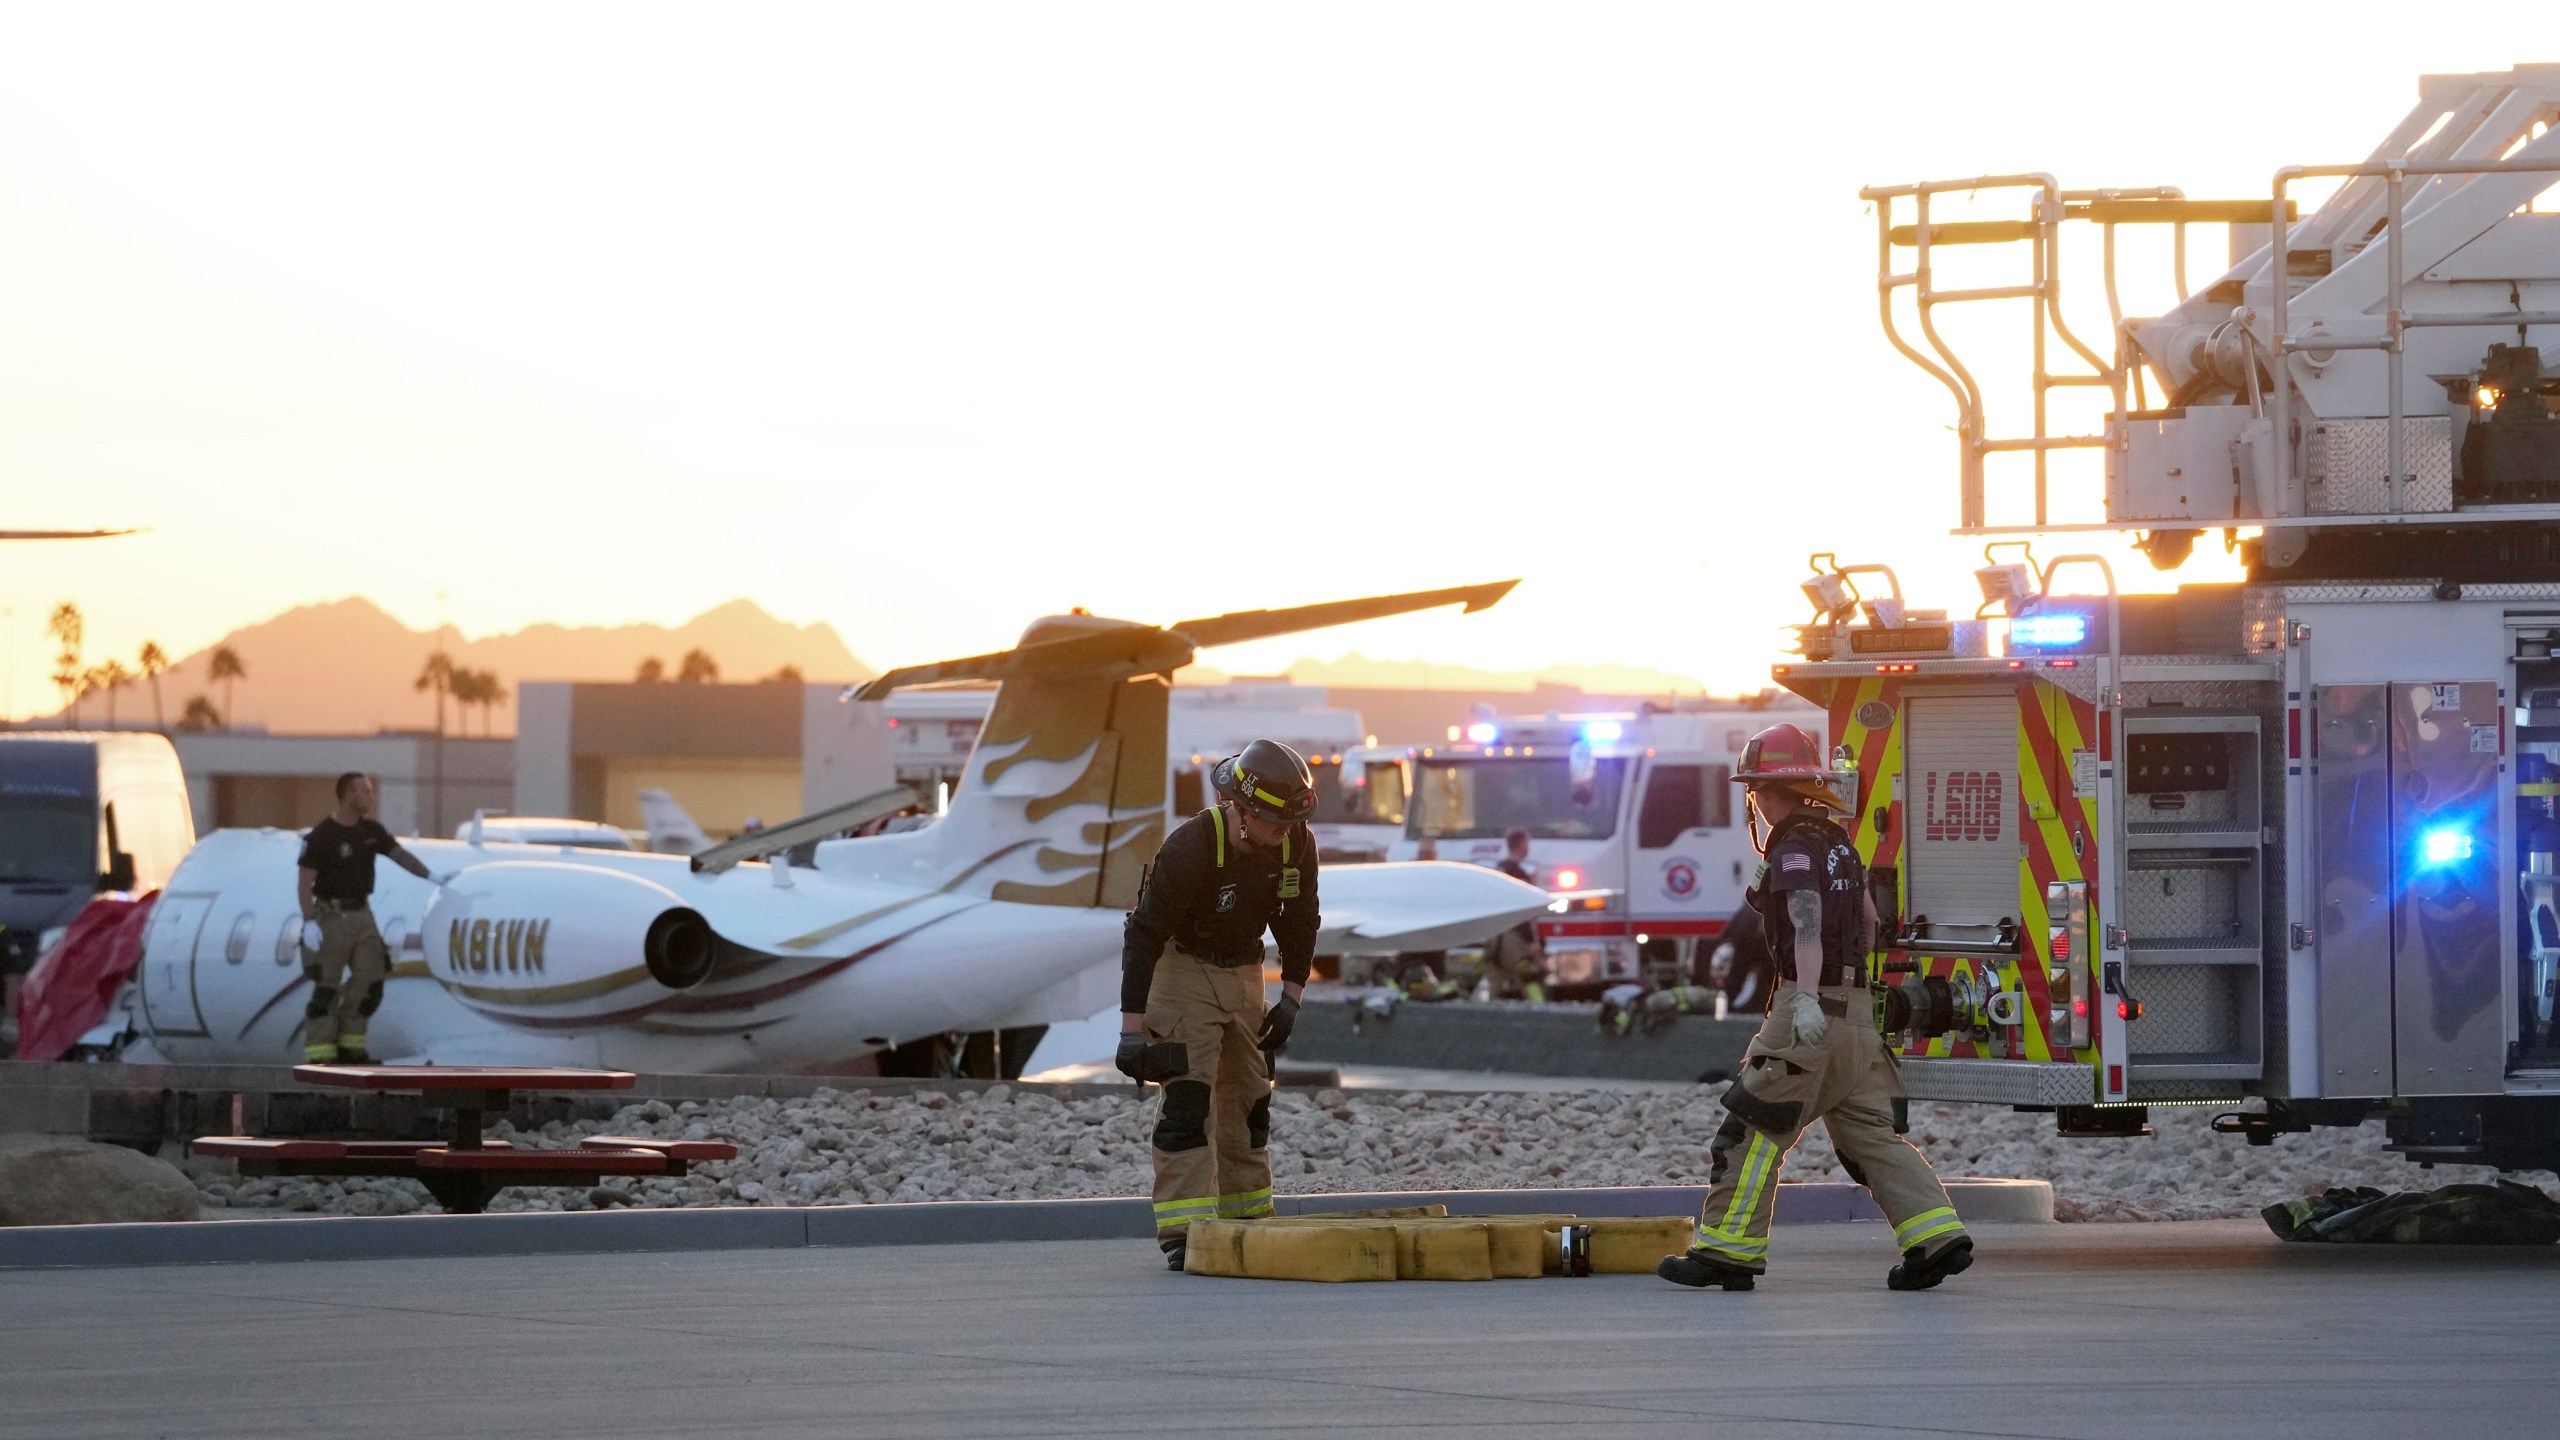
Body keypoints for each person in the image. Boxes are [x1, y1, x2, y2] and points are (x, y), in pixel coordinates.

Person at [1658, 722, 1972, 1293]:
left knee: (1752, 1130)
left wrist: (1804, 995)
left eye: (1755, 790)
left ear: (1770, 792)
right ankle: (1937, 1237)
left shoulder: (1796, 847)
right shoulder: (1839, 845)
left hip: (1813, 1010)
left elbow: (1804, 914)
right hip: (1858, 1018)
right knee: (1870, 1136)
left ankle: (1727, 1251)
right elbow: (1872, 923)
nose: (1754, 800)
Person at [1118, 739, 1321, 1271]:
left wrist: (1292, 995)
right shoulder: (1191, 848)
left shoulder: (1295, 843)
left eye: (1291, 824)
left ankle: (1248, 1220)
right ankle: (1186, 1232)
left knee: (1249, 1098)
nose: (1285, 834)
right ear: (1241, 809)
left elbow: (1300, 920)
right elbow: (1142, 937)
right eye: (1275, 824)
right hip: (1180, 967)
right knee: (1190, 1098)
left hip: (1245, 970)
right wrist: (1132, 1031)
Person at [296, 773, 433, 1063]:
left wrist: (430, 876)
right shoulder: (322, 836)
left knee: (370, 982)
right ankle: (321, 1054)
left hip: (362, 914)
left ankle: (351, 1048)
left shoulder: (371, 832)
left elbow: (399, 856)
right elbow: (305, 881)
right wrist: (309, 921)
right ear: (348, 795)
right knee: (326, 988)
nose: (371, 797)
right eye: (365, 792)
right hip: (330, 916)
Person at [1481, 827, 1546, 1001]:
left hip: (1494, 938)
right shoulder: (1519, 875)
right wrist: (1532, 942)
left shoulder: (1497, 871)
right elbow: (1524, 912)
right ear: (1522, 845)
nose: (1528, 848)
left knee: (1497, 981)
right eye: (1527, 844)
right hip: (1515, 939)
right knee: (1529, 976)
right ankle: (1539, 1012)